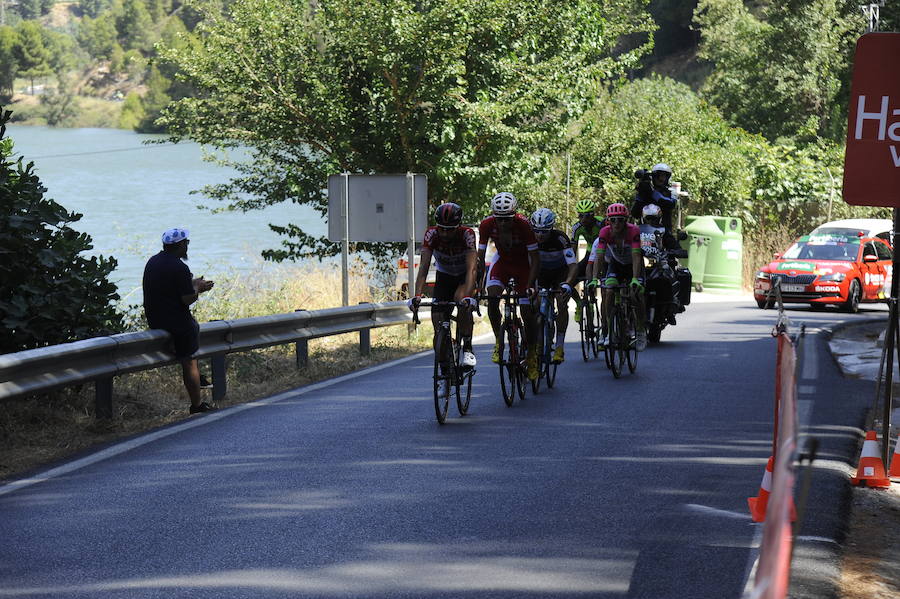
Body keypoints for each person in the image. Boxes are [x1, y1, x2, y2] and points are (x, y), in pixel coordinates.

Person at [143, 228, 216, 414]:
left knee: (192, 331)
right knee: (190, 361)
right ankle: (197, 405)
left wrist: (193, 285)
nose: (187, 247)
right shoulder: (180, 267)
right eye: (187, 243)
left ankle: (198, 377)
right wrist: (198, 288)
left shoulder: (153, 261)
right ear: (181, 245)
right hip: (176, 323)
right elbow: (187, 299)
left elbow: (169, 291)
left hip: (155, 319)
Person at [477, 192, 541, 380]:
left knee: (527, 310)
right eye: (500, 219)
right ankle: (499, 341)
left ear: (514, 214)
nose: (503, 223)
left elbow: (535, 260)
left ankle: (531, 355)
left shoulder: (524, 225)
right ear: (494, 215)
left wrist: (530, 286)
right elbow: (480, 258)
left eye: (507, 219)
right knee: (492, 297)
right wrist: (478, 285)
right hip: (503, 262)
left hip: (524, 265)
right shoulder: (487, 224)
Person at [407, 203, 478, 367]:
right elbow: (423, 268)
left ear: (458, 226)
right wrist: (417, 296)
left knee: (461, 301)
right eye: (442, 229)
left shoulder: (467, 234)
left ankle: (467, 348)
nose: (445, 233)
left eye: (450, 229)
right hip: (444, 276)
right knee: (438, 322)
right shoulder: (431, 234)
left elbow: (472, 270)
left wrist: (468, 297)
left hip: (463, 276)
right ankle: (444, 371)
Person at [587, 203, 647, 351]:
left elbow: (636, 256)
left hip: (633, 265)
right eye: (613, 220)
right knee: (608, 291)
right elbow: (599, 258)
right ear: (608, 220)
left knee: (635, 293)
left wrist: (635, 278)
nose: (617, 224)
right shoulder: (604, 232)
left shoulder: (633, 230)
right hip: (616, 265)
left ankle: (640, 330)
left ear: (626, 220)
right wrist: (594, 279)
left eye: (620, 220)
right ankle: (608, 329)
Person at [530, 208, 578, 363]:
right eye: (537, 231)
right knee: (534, 305)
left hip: (559, 273)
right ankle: (536, 342)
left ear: (551, 228)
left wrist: (568, 284)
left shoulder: (560, 239)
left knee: (561, 301)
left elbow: (572, 265)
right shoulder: (529, 238)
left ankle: (559, 347)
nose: (540, 235)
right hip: (541, 273)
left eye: (544, 231)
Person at [570, 199, 606, 323]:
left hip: (605, 255)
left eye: (587, 216)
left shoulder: (601, 223)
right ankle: (579, 303)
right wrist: (571, 268)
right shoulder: (577, 227)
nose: (583, 219)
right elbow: (572, 251)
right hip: (590, 254)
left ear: (593, 215)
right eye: (580, 216)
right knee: (568, 282)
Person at [630, 163, 678, 233]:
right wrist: (641, 194)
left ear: (668, 177)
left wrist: (653, 193)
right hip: (644, 232)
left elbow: (670, 205)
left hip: (664, 232)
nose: (660, 179)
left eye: (663, 176)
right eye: (658, 175)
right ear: (653, 176)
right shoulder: (646, 191)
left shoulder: (671, 192)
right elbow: (635, 213)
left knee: (673, 243)